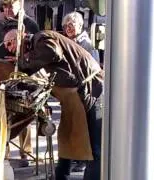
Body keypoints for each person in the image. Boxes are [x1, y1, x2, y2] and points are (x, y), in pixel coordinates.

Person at [3, 29, 104, 180]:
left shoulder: (41, 38)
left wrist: (23, 61)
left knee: (93, 148)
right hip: (77, 96)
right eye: (7, 46)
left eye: (11, 43)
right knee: (67, 138)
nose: (10, 48)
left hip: (91, 90)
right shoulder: (36, 51)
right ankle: (61, 176)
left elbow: (52, 52)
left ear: (21, 35)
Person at [0, 0, 39, 167]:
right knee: (3, 113)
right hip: (2, 75)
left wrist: (22, 60)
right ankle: (4, 154)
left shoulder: (29, 24)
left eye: (11, 6)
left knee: (23, 114)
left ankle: (25, 153)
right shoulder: (1, 23)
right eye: (4, 7)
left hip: (23, 75)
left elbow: (36, 53)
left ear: (20, 5)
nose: (7, 10)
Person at [62, 11, 100, 172]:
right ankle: (77, 159)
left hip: (89, 93)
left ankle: (85, 161)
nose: (68, 29)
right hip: (77, 93)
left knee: (87, 129)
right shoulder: (71, 42)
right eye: (66, 26)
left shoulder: (86, 44)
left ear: (79, 25)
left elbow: (90, 70)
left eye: (71, 25)